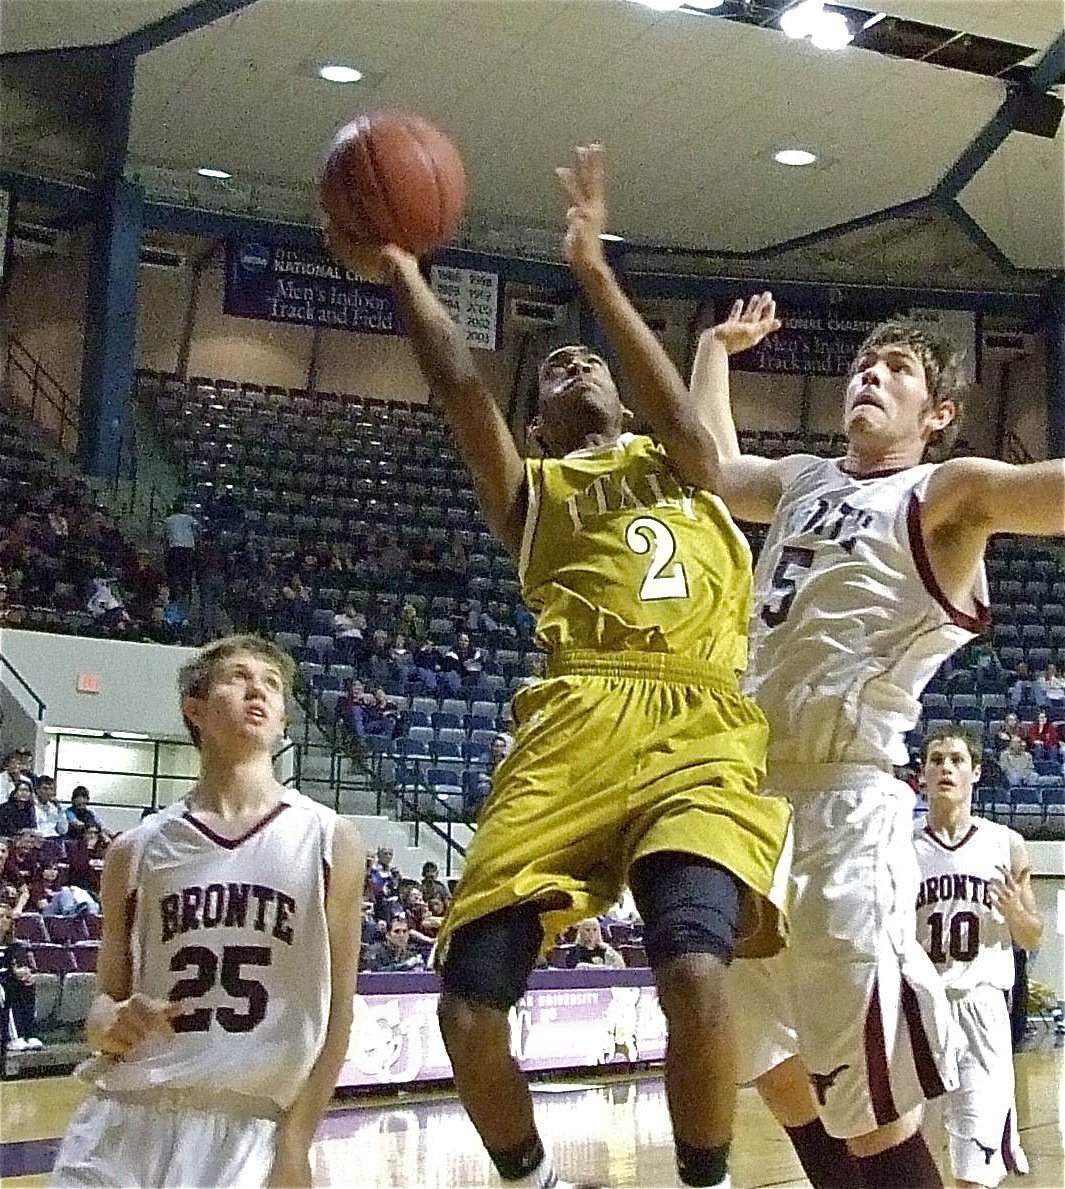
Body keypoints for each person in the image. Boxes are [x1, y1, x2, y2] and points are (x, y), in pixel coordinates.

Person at [325, 143, 792, 1189]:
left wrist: (595, 273)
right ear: (537, 423)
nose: (575, 365)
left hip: (698, 731)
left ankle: (704, 1180)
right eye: (553, 372)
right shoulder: (531, 492)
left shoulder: (684, 464)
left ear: (622, 402)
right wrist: (402, 269)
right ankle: (528, 1176)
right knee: (466, 1009)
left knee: (694, 970)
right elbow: (455, 386)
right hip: (570, 728)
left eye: (589, 364)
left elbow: (688, 417)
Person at [689, 286, 1065, 1187]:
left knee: (868, 1102)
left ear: (935, 414)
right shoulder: (798, 482)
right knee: (769, 1061)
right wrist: (711, 349)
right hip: (745, 799)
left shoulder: (945, 491)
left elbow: (1047, 493)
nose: (871, 374)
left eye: (896, 369)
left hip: (842, 804)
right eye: (864, 362)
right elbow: (708, 466)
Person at [50, 635, 361, 1188]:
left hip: (246, 1125)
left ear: (284, 716)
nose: (257, 691)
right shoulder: (135, 849)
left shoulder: (329, 839)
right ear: (195, 708)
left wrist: (295, 1143)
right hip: (124, 1115)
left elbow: (339, 1013)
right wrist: (110, 1026)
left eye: (271, 684)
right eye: (239, 678)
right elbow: (105, 1001)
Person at [913, 728, 1040, 1188]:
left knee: (975, 1171)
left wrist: (1013, 911)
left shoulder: (1004, 843)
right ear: (922, 775)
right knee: (913, 1164)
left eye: (957, 760)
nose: (946, 767)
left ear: (976, 773)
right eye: (936, 759)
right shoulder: (900, 846)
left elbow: (1031, 937)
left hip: (981, 1008)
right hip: (919, 1011)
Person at [0, 901, 41, 1052]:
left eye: (8, 917)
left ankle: (29, 1033)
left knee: (27, 985)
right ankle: (12, 1037)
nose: (5, 920)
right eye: (1, 917)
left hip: (9, 979)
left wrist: (24, 973)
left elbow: (20, 965)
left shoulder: (15, 946)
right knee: (4, 992)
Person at [361, 914, 426, 973]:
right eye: (396, 931)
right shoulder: (375, 951)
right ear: (388, 935)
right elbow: (374, 971)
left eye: (404, 931)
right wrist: (404, 966)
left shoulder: (411, 952)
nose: (401, 935)